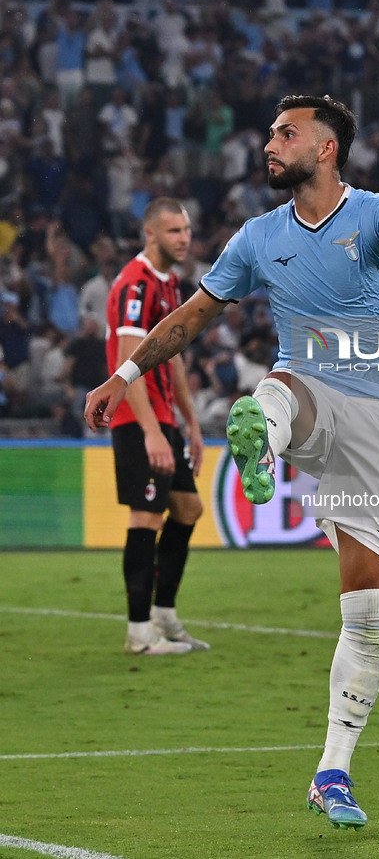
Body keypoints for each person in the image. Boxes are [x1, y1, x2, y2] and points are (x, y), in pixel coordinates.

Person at [85, 96, 379, 827]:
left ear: (327, 149)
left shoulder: (375, 211)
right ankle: (265, 440)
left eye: (287, 134)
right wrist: (123, 377)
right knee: (280, 386)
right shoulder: (257, 236)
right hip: (310, 386)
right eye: (271, 134)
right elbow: (191, 316)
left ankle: (331, 774)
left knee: (368, 611)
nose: (270, 144)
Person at [104, 196, 210, 655]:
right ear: (150, 234)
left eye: (185, 230)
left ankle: (164, 615)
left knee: (188, 509)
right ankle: (139, 632)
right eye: (173, 231)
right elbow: (130, 360)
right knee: (146, 515)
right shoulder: (136, 286)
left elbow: (174, 357)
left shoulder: (168, 285)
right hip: (135, 418)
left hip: (164, 418)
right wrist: (151, 431)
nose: (183, 238)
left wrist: (191, 422)